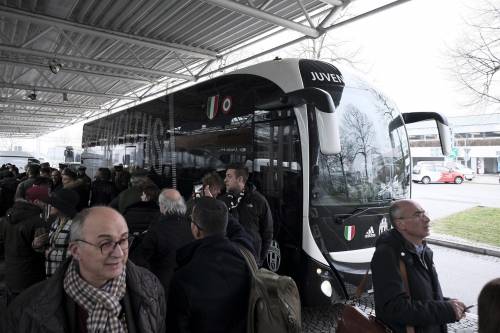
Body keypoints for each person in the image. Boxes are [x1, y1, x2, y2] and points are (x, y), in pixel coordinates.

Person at [3, 206, 166, 332]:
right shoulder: (28, 309)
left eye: (123, 241)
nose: (118, 253)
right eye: (105, 244)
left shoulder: (149, 288)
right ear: (76, 250)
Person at [371, 199, 466, 333]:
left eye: (424, 213)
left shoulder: (424, 251)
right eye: (417, 215)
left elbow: (422, 296)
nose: (427, 219)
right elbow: (394, 308)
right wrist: (446, 309)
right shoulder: (386, 255)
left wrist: (448, 304)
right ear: (400, 223)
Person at [166, 197, 249, 333]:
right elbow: (240, 232)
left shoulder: (183, 279)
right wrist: (218, 210)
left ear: (196, 230)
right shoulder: (245, 260)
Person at [130, 189, 193, 298]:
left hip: (162, 289)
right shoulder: (192, 227)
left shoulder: (156, 230)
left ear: (163, 206)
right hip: (189, 287)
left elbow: (138, 260)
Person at [0, 183, 49, 303]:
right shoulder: (38, 221)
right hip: (31, 274)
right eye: (46, 201)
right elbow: (40, 249)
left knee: (12, 307)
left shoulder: (8, 216)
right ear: (37, 201)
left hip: (11, 271)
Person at [220, 164, 273, 266]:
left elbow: (267, 232)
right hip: (227, 259)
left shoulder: (259, 200)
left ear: (240, 179)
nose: (225, 180)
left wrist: (260, 260)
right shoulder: (222, 201)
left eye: (229, 176)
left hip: (251, 259)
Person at [34, 188, 79, 277]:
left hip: (66, 276)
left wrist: (50, 254)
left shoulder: (75, 225)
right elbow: (53, 246)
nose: (49, 206)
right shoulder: (56, 222)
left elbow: (81, 253)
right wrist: (38, 244)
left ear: (62, 206)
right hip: (53, 274)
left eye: (53, 204)